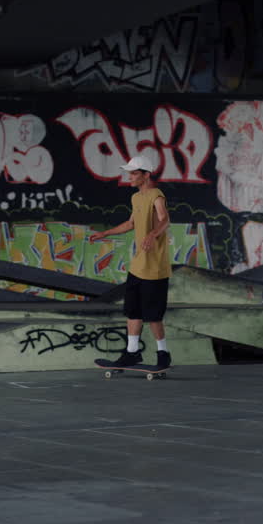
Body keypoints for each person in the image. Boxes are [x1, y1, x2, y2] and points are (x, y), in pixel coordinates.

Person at [90, 155, 172, 369]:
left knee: (153, 315)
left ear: (146, 175)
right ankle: (132, 353)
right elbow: (130, 223)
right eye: (130, 173)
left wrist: (152, 234)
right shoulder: (136, 198)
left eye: (134, 173)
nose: (130, 177)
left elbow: (165, 219)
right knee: (133, 311)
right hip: (138, 266)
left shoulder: (156, 195)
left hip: (154, 268)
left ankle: (163, 354)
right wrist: (105, 233)